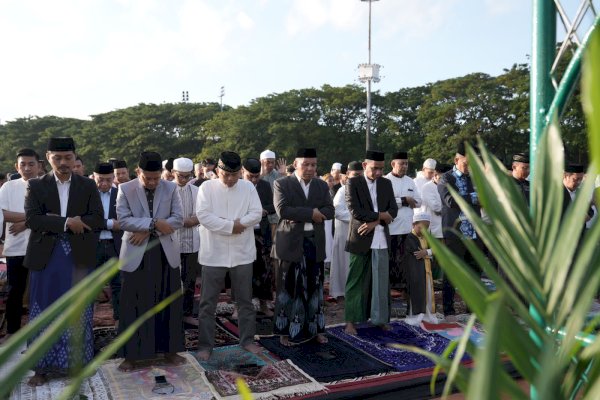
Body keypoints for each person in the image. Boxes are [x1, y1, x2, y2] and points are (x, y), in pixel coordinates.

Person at [24, 137, 103, 386]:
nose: (63, 163)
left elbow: (97, 219)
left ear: (75, 157)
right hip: (46, 259)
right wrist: (68, 222)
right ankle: (41, 368)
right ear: (47, 158)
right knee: (42, 311)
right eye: (57, 158)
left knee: (78, 310)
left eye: (68, 157)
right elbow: (33, 220)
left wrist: (57, 220)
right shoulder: (37, 186)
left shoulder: (88, 185)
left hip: (78, 257)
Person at [116, 151, 185, 371]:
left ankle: (170, 351)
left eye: (157, 178)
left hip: (165, 253)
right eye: (148, 178)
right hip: (136, 253)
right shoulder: (125, 189)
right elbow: (124, 220)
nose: (154, 182)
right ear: (138, 172)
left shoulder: (171, 188)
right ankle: (131, 356)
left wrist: (148, 227)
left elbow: (178, 219)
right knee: (133, 303)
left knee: (168, 302)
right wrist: (154, 224)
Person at [196, 151, 263, 360]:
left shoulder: (248, 187)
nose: (231, 179)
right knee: (208, 302)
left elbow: (257, 212)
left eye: (235, 175)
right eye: (226, 174)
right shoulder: (207, 187)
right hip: (213, 252)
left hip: (241, 253)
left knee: (245, 301)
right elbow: (203, 215)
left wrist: (239, 225)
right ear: (218, 171)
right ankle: (205, 346)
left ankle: (247, 340)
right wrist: (230, 226)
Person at [272, 148, 334, 346]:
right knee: (288, 287)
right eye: (306, 164)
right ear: (296, 164)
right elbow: (283, 210)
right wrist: (312, 214)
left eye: (313, 165)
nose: (310, 168)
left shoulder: (321, 185)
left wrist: (306, 213)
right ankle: (285, 331)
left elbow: (330, 210)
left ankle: (316, 329)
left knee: (314, 287)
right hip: (290, 243)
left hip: (314, 242)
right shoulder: (282, 183)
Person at [344, 151, 398, 335]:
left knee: (381, 281)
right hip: (360, 238)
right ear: (365, 165)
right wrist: (381, 216)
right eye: (374, 168)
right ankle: (351, 321)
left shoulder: (386, 183)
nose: (378, 173)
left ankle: (380, 319)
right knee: (356, 281)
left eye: (381, 169)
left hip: (381, 238)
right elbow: (355, 210)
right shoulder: (353, 182)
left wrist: (376, 221)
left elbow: (393, 209)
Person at [0, 149, 39, 344]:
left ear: (39, 165)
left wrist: (26, 222)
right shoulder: (8, 187)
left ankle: (41, 332)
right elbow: (3, 214)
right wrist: (33, 218)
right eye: (22, 164)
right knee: (15, 290)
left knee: (40, 290)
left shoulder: (47, 185)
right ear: (17, 166)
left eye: (31, 164)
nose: (27, 168)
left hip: (42, 246)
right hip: (15, 247)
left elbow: (54, 215)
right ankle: (13, 331)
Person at [438, 143, 481, 316]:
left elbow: (485, 199)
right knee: (452, 273)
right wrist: (474, 197)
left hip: (475, 232)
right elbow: (450, 200)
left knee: (475, 273)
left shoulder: (475, 178)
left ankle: (473, 309)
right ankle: (449, 311)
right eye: (467, 163)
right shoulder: (446, 179)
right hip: (454, 233)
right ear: (457, 160)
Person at [242, 158, 276, 316]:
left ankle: (263, 304)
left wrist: (263, 211)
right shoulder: (236, 185)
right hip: (242, 232)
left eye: (257, 176)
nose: (254, 180)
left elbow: (273, 207)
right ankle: (239, 306)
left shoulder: (264, 185)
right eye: (250, 176)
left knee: (264, 270)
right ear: (243, 172)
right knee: (241, 270)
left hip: (261, 233)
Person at [385, 151, 421, 290]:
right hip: (392, 229)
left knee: (405, 261)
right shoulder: (386, 180)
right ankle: (392, 290)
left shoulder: (410, 181)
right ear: (393, 164)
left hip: (407, 228)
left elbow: (418, 201)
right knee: (392, 261)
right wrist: (405, 200)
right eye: (401, 164)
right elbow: (386, 203)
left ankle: (404, 290)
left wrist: (407, 201)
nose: (404, 166)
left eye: (406, 163)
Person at [171, 158, 201, 321]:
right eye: (180, 176)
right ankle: (173, 314)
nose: (183, 180)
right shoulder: (166, 190)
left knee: (189, 280)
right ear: (173, 173)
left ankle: (187, 314)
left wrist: (194, 220)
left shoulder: (196, 190)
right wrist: (183, 221)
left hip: (192, 242)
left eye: (187, 176)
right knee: (172, 281)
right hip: (171, 242)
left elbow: (202, 213)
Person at [93, 162, 123, 323]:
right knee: (90, 285)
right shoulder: (87, 195)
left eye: (108, 180)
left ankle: (119, 318)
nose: (104, 183)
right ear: (94, 177)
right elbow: (87, 221)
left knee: (118, 283)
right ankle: (86, 320)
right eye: (100, 179)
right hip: (93, 245)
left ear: (113, 178)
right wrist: (110, 223)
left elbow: (125, 220)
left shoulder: (120, 194)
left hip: (115, 244)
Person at [329, 161, 363, 301]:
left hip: (360, 232)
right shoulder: (343, 190)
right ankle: (340, 291)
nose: (358, 177)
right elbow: (337, 212)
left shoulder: (364, 189)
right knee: (343, 262)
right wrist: (358, 218)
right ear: (348, 175)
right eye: (355, 175)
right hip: (345, 231)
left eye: (360, 175)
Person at [404, 213, 438, 325]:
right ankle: (417, 315)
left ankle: (427, 314)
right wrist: (429, 251)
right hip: (416, 271)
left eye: (426, 228)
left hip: (426, 270)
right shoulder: (410, 237)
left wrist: (427, 252)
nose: (424, 230)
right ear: (413, 225)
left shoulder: (428, 237)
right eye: (421, 227)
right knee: (417, 291)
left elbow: (436, 249)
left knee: (427, 292)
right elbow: (417, 253)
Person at [419, 163, 450, 240]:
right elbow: (436, 207)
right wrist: (451, 207)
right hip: (436, 230)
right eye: (443, 177)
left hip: (450, 228)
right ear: (436, 175)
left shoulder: (450, 186)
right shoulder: (427, 187)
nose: (446, 180)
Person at [260, 149, 285, 238]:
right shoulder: (256, 174)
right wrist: (260, 176)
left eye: (272, 162)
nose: (270, 165)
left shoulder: (278, 174)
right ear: (261, 162)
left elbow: (286, 192)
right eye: (267, 162)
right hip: (260, 214)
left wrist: (283, 175)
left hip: (275, 213)